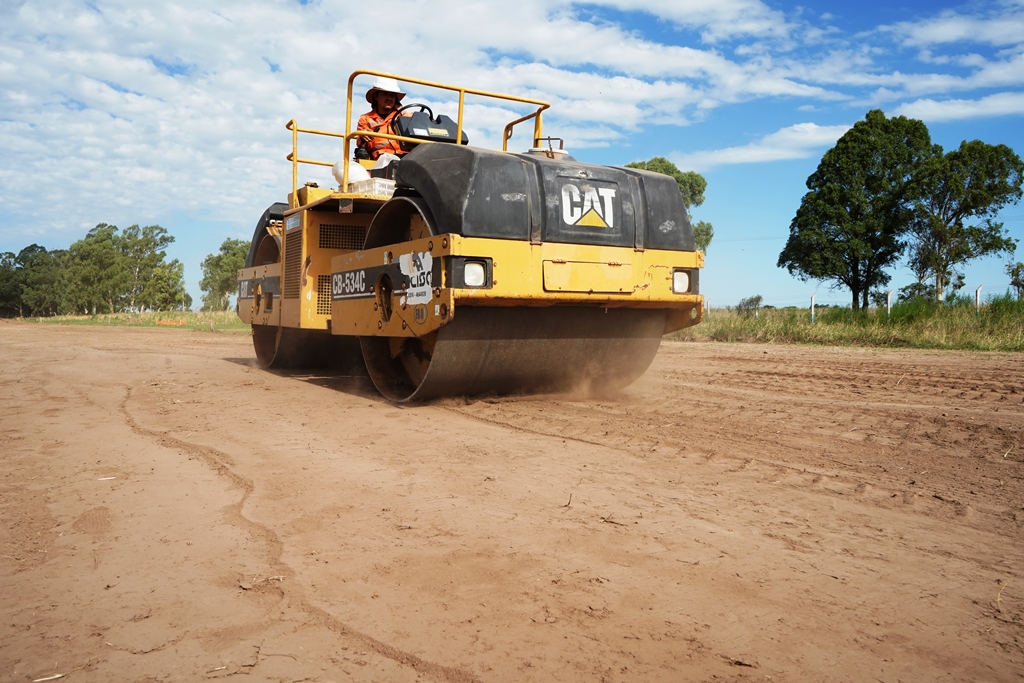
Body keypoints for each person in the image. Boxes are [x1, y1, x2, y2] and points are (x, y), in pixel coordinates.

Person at [356, 77, 408, 161]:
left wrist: (401, 110)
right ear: (376, 96)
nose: (389, 98)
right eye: (385, 94)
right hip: (378, 161)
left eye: (392, 95)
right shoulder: (365, 118)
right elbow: (360, 144)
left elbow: (418, 126)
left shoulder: (403, 116)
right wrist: (362, 136)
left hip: (404, 159)